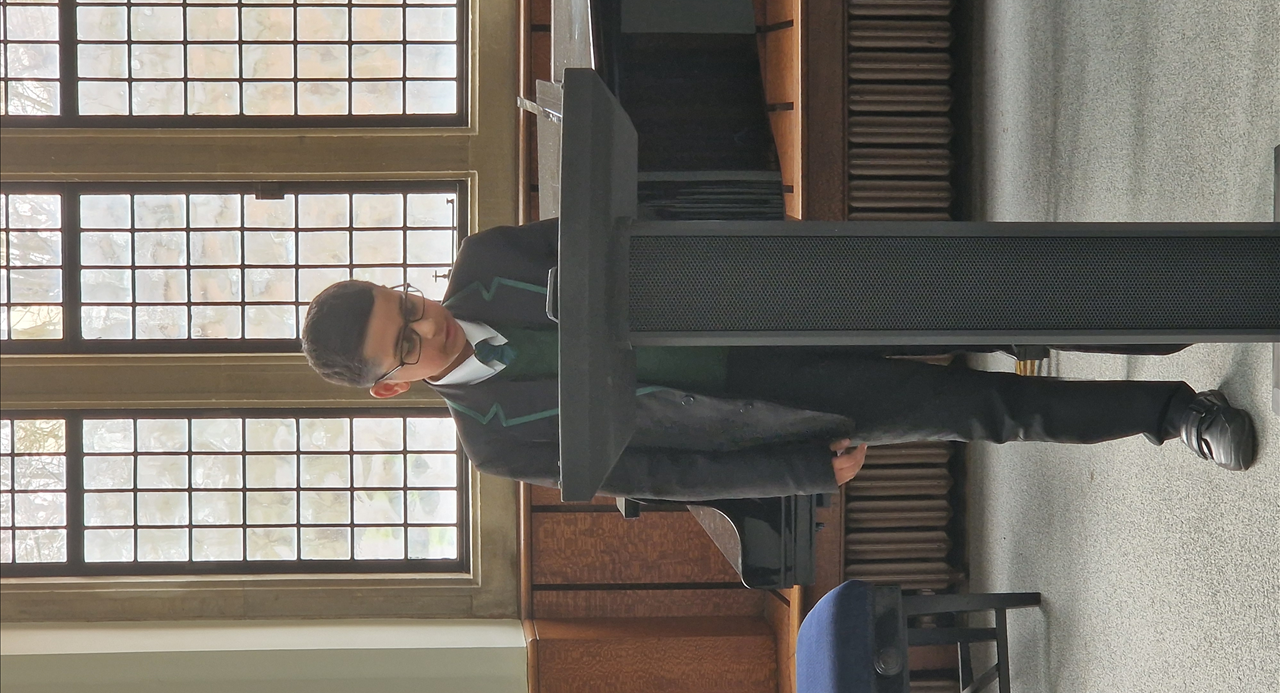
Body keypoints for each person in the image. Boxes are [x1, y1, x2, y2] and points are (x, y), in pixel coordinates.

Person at [301, 218, 1257, 500]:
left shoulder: (488, 259)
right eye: (409, 343)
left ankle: (1194, 305)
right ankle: (1175, 412)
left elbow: (628, 233)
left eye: (408, 303)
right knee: (987, 411)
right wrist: (795, 471)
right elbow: (651, 472)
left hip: (768, 298)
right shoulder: (492, 442)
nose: (431, 325)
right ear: (392, 386)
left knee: (992, 304)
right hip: (759, 398)